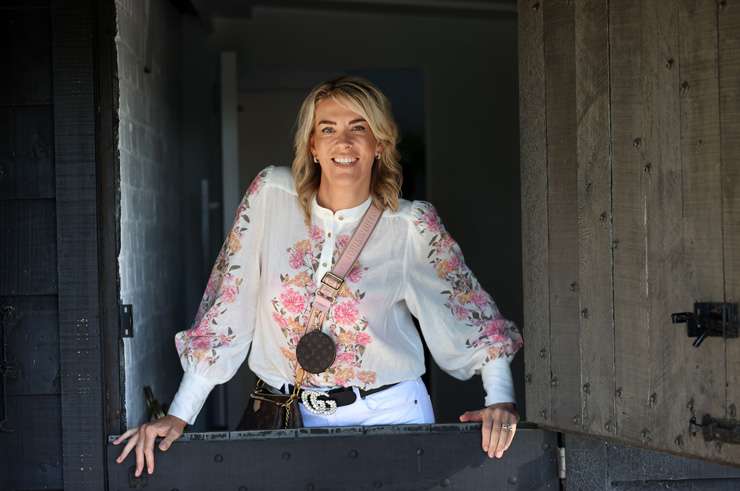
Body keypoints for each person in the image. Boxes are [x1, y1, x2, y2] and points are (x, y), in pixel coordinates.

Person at [114, 76, 523, 477]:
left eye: (358, 128)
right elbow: (227, 305)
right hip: (290, 417)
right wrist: (179, 415)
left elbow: (468, 311)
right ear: (312, 144)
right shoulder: (270, 196)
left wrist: (500, 400)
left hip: (389, 417)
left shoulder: (410, 226)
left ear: (379, 143)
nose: (343, 143)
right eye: (327, 129)